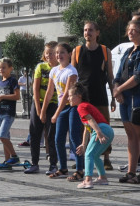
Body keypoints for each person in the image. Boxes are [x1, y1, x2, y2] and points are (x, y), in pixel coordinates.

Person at [113, 19, 140, 184]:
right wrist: (116, 90)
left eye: (134, 30)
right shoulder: (128, 51)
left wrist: (120, 89)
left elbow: (138, 77)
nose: (130, 33)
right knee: (131, 135)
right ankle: (131, 172)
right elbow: (118, 75)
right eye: (129, 30)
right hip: (125, 97)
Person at [72, 21, 116, 170]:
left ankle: (107, 158)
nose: (87, 33)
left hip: (100, 95)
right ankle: (83, 157)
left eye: (90, 30)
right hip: (83, 98)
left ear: (97, 33)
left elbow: (110, 76)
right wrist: (72, 97)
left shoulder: (105, 51)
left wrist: (114, 97)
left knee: (103, 126)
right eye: (85, 30)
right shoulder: (77, 51)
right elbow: (73, 77)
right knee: (84, 128)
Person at [41, 43, 83, 180]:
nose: (59, 55)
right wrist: (43, 111)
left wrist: (56, 113)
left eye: (62, 52)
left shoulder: (71, 72)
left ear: (70, 54)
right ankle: (63, 168)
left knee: (74, 138)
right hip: (61, 108)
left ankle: (80, 169)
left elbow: (66, 95)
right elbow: (49, 92)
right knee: (58, 138)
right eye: (57, 53)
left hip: (72, 107)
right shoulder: (54, 71)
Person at [71, 83, 113, 189]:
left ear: (79, 96)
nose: (68, 98)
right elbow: (87, 127)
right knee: (94, 156)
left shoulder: (81, 107)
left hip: (101, 129)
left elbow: (90, 120)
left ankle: (87, 180)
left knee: (88, 154)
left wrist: (98, 132)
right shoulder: (85, 106)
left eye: (70, 95)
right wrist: (83, 144)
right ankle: (102, 178)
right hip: (107, 130)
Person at [25, 42, 58, 175]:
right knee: (35, 133)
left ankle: (53, 164)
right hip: (38, 102)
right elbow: (35, 89)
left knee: (51, 134)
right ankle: (34, 163)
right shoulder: (40, 66)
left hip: (53, 103)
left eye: (52, 53)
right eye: (47, 53)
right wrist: (38, 110)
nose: (49, 55)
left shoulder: (59, 68)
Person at [0, 57, 21, 167]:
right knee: (6, 138)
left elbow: (17, 96)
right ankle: (7, 160)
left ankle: (14, 157)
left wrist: (2, 97)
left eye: (4, 68)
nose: (1, 70)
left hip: (8, 113)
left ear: (10, 68)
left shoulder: (12, 80)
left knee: (2, 136)